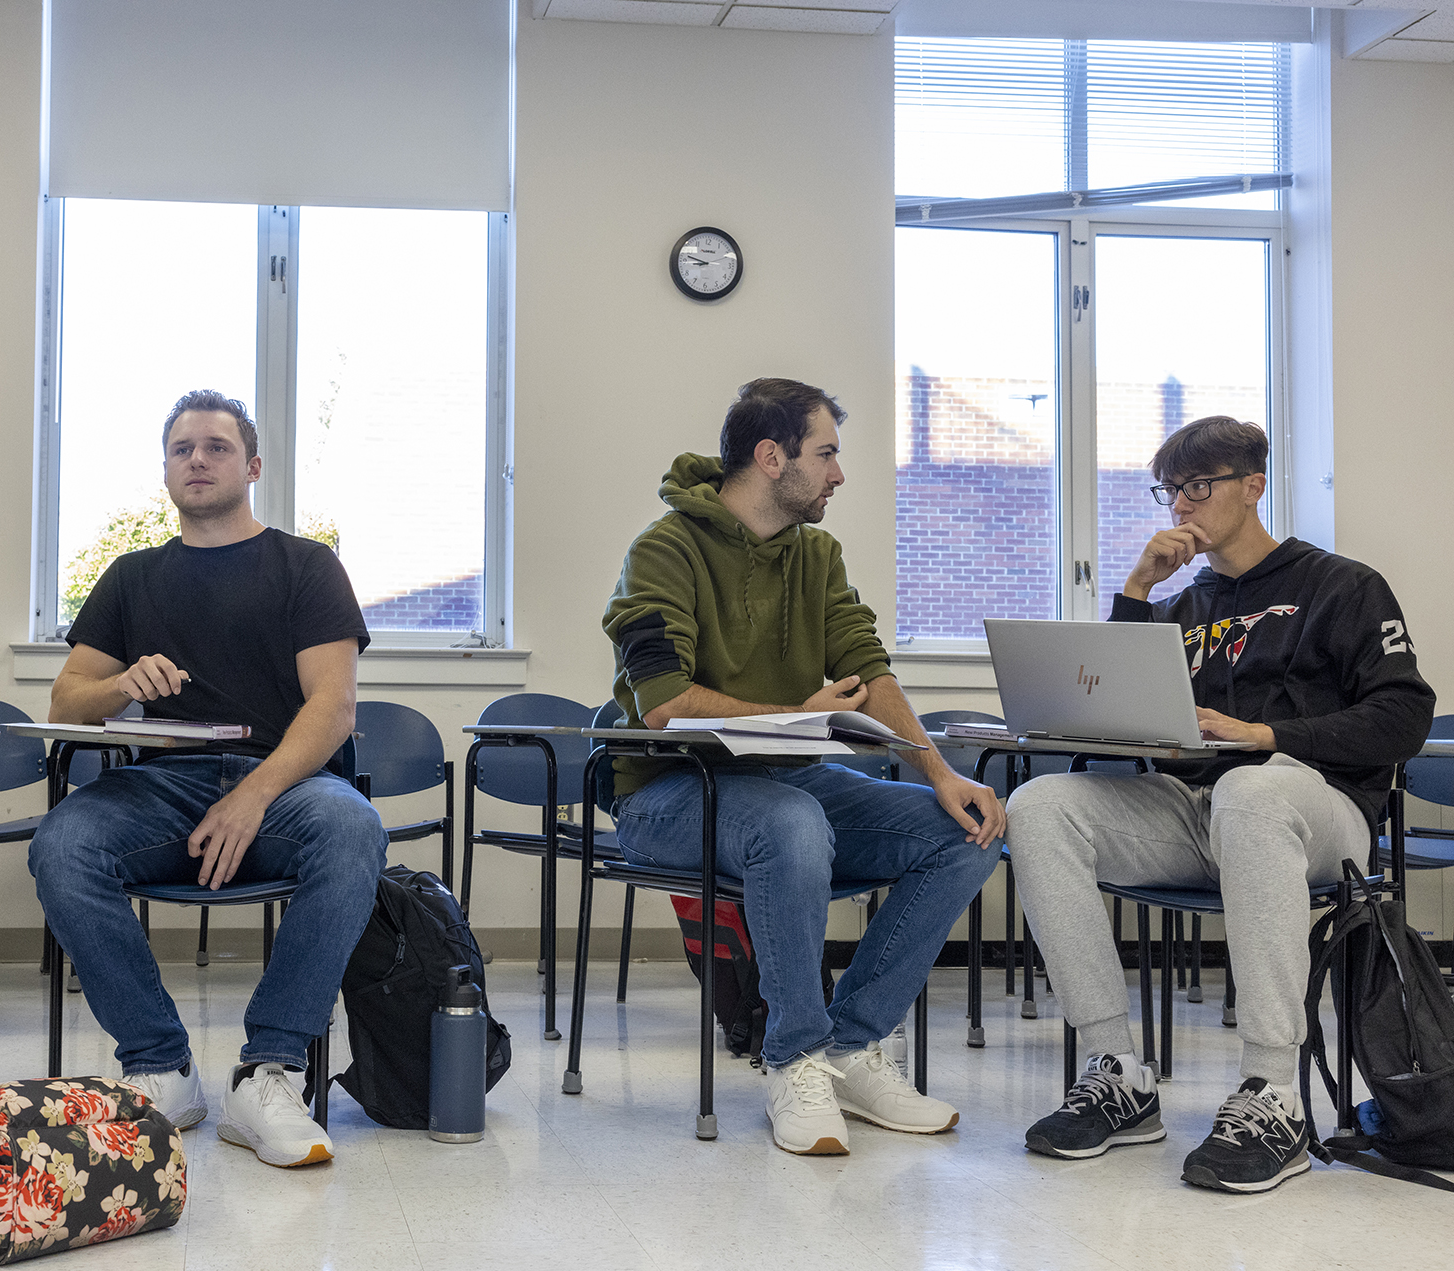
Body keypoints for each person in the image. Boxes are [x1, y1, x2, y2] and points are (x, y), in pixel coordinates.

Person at [1009, 416, 1434, 1194]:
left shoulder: (1341, 585)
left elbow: (1404, 715)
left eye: (1197, 486)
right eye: (1170, 489)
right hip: (1201, 812)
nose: (1180, 505)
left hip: (1319, 812)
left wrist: (1266, 732)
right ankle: (1119, 1074)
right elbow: (1114, 712)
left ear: (1253, 486)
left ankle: (1274, 1092)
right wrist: (1137, 590)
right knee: (1040, 805)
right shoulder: (1184, 606)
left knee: (1253, 784)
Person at [601, 377, 1005, 1156]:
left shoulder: (816, 554)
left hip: (789, 784)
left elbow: (868, 666)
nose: (838, 474)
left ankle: (849, 1049)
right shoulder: (663, 551)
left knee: (965, 830)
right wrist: (801, 714)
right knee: (791, 824)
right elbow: (663, 702)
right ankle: (792, 1057)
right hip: (670, 793)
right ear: (770, 455)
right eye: (826, 454)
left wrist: (941, 773)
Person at [29, 389, 384, 1169]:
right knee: (62, 842)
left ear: (251, 466)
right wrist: (123, 686)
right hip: (161, 790)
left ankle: (269, 1074)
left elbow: (332, 710)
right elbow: (67, 701)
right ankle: (161, 1067)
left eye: (216, 447)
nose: (197, 459)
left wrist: (253, 796)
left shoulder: (306, 566)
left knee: (354, 826)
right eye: (182, 448)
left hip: (283, 783)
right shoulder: (131, 578)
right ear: (165, 472)